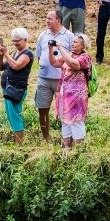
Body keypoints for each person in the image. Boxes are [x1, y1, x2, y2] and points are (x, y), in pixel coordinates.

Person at [34, 10, 75, 143]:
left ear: (59, 20)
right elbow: (39, 56)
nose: (47, 21)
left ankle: (67, 138)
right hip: (44, 78)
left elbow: (74, 56)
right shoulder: (42, 35)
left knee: (65, 110)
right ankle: (46, 138)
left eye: (50, 18)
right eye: (46, 18)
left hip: (62, 79)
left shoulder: (68, 36)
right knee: (42, 109)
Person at [48, 33, 92, 148]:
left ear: (83, 45)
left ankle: (79, 150)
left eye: (76, 42)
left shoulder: (85, 57)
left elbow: (74, 64)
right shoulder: (69, 55)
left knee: (76, 121)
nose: (73, 44)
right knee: (65, 121)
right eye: (72, 42)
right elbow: (54, 62)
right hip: (64, 95)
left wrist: (61, 48)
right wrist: (50, 49)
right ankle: (67, 150)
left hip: (77, 97)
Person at [0, 28, 33, 144]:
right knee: (11, 116)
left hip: (16, 89)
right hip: (8, 88)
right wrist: (1, 55)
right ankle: (16, 141)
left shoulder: (27, 54)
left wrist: (6, 53)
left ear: (25, 40)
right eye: (13, 41)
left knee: (15, 116)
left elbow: (16, 66)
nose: (15, 43)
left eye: (18, 41)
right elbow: (0, 67)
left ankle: (19, 144)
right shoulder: (14, 53)